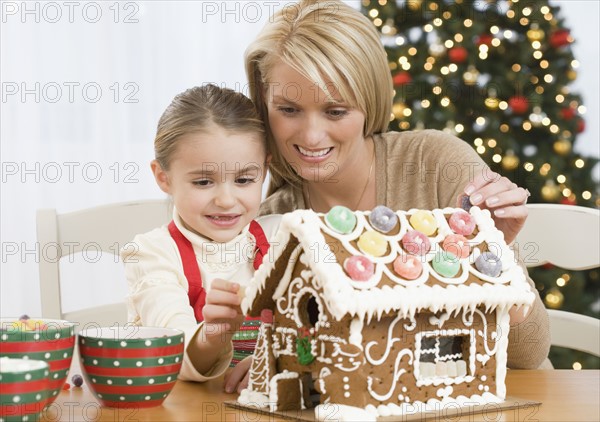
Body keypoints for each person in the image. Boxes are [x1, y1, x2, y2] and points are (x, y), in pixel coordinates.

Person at [244, 0, 550, 369]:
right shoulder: (270, 227)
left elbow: (530, 355)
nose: (311, 135)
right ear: (264, 104)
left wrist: (493, 256)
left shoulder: (439, 166)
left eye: (336, 111)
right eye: (288, 109)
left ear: (368, 103)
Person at [121, 84, 279, 386]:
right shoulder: (151, 253)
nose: (226, 200)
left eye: (244, 179)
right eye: (204, 182)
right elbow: (172, 347)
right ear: (163, 177)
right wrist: (213, 336)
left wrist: (277, 358)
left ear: (265, 170)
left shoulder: (283, 237)